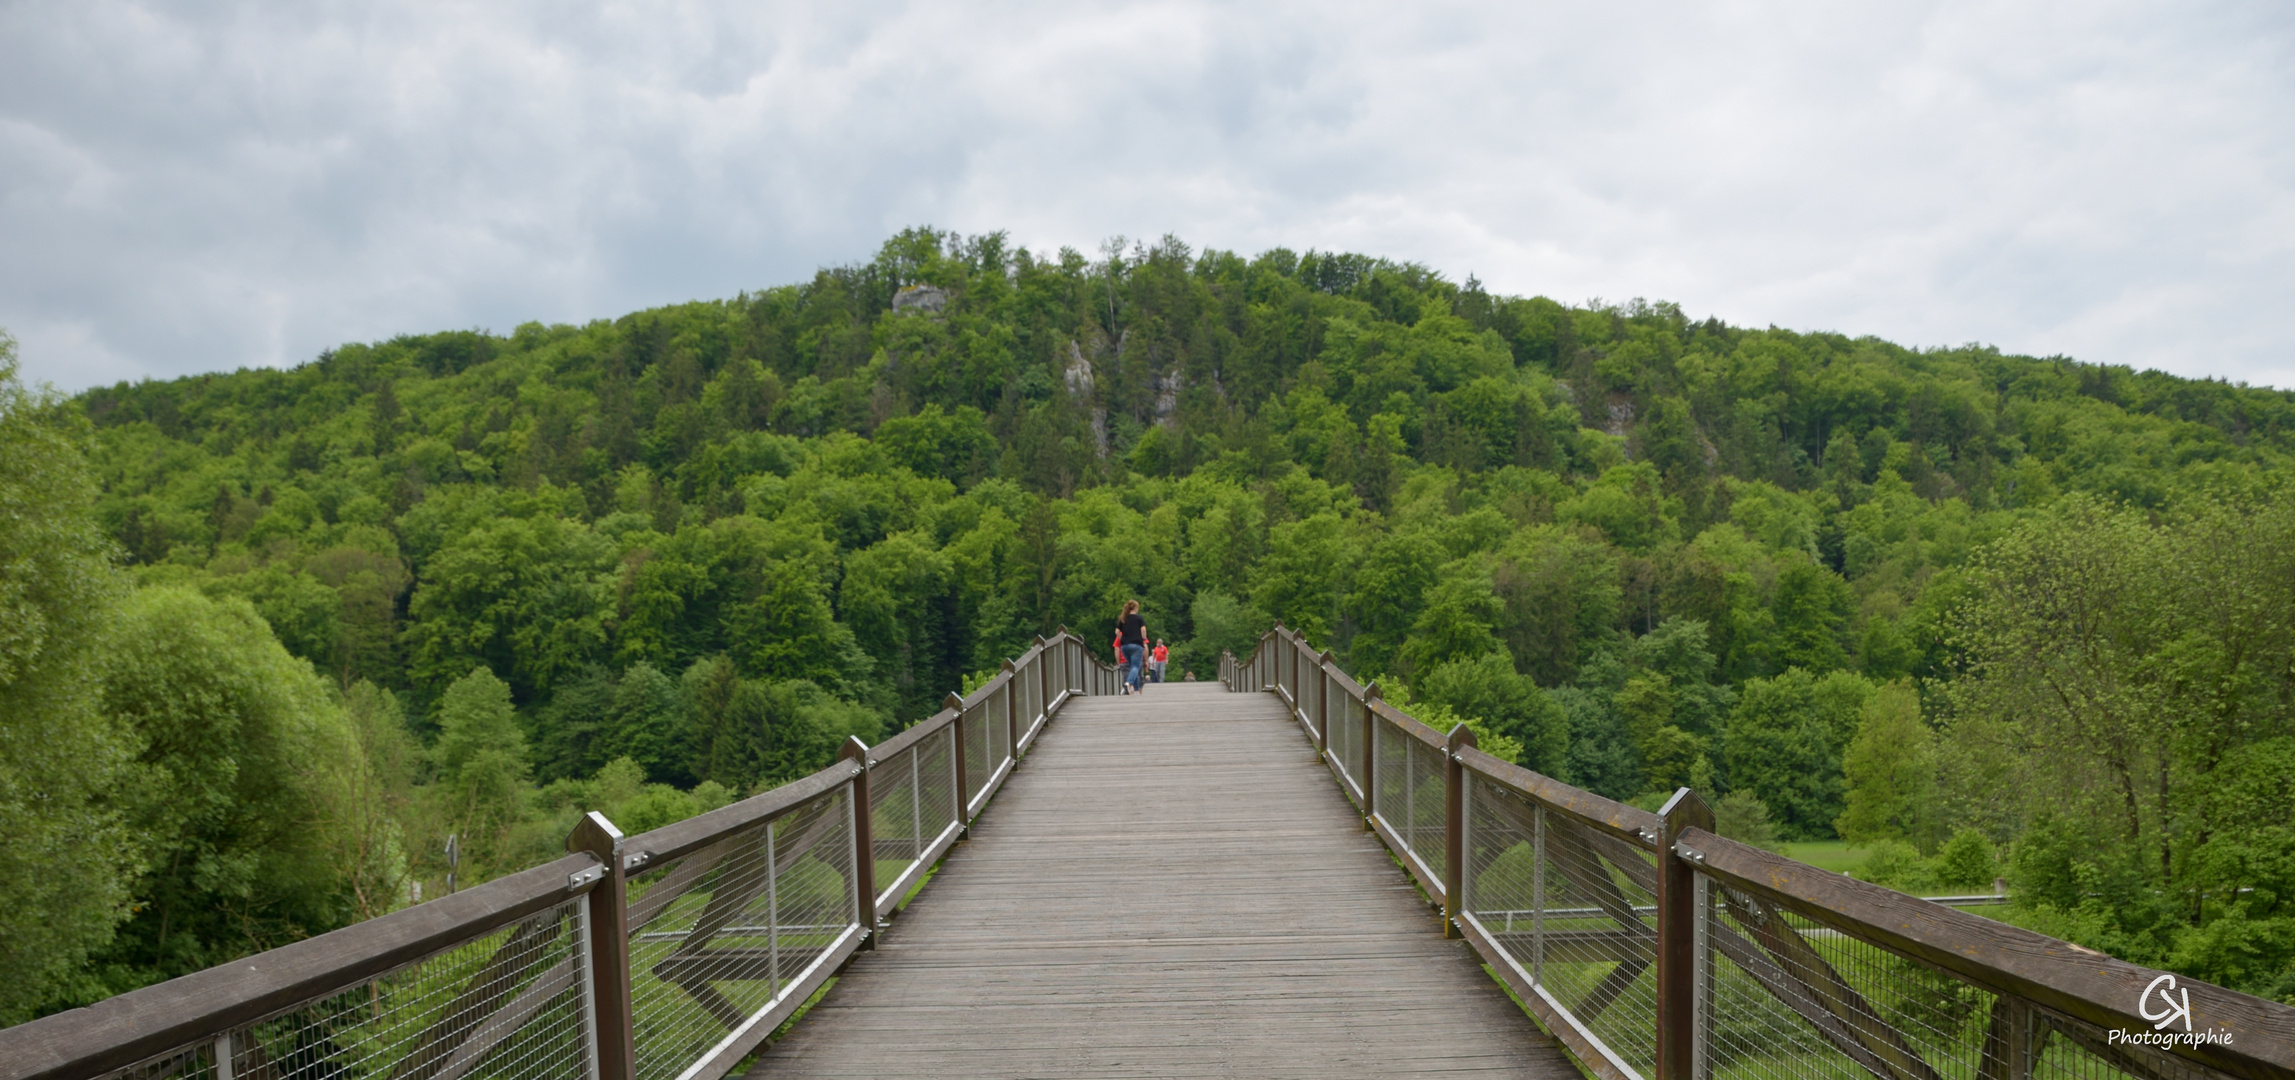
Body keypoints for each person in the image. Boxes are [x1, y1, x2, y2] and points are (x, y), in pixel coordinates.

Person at [1114, 600, 1148, 695]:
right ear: (1136, 608)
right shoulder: (1139, 618)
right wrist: (1143, 639)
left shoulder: (1123, 619)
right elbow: (1143, 630)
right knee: (1135, 666)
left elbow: (1116, 632)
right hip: (1136, 645)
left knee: (1133, 667)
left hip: (1124, 647)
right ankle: (1129, 682)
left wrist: (1122, 640)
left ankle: (1136, 689)